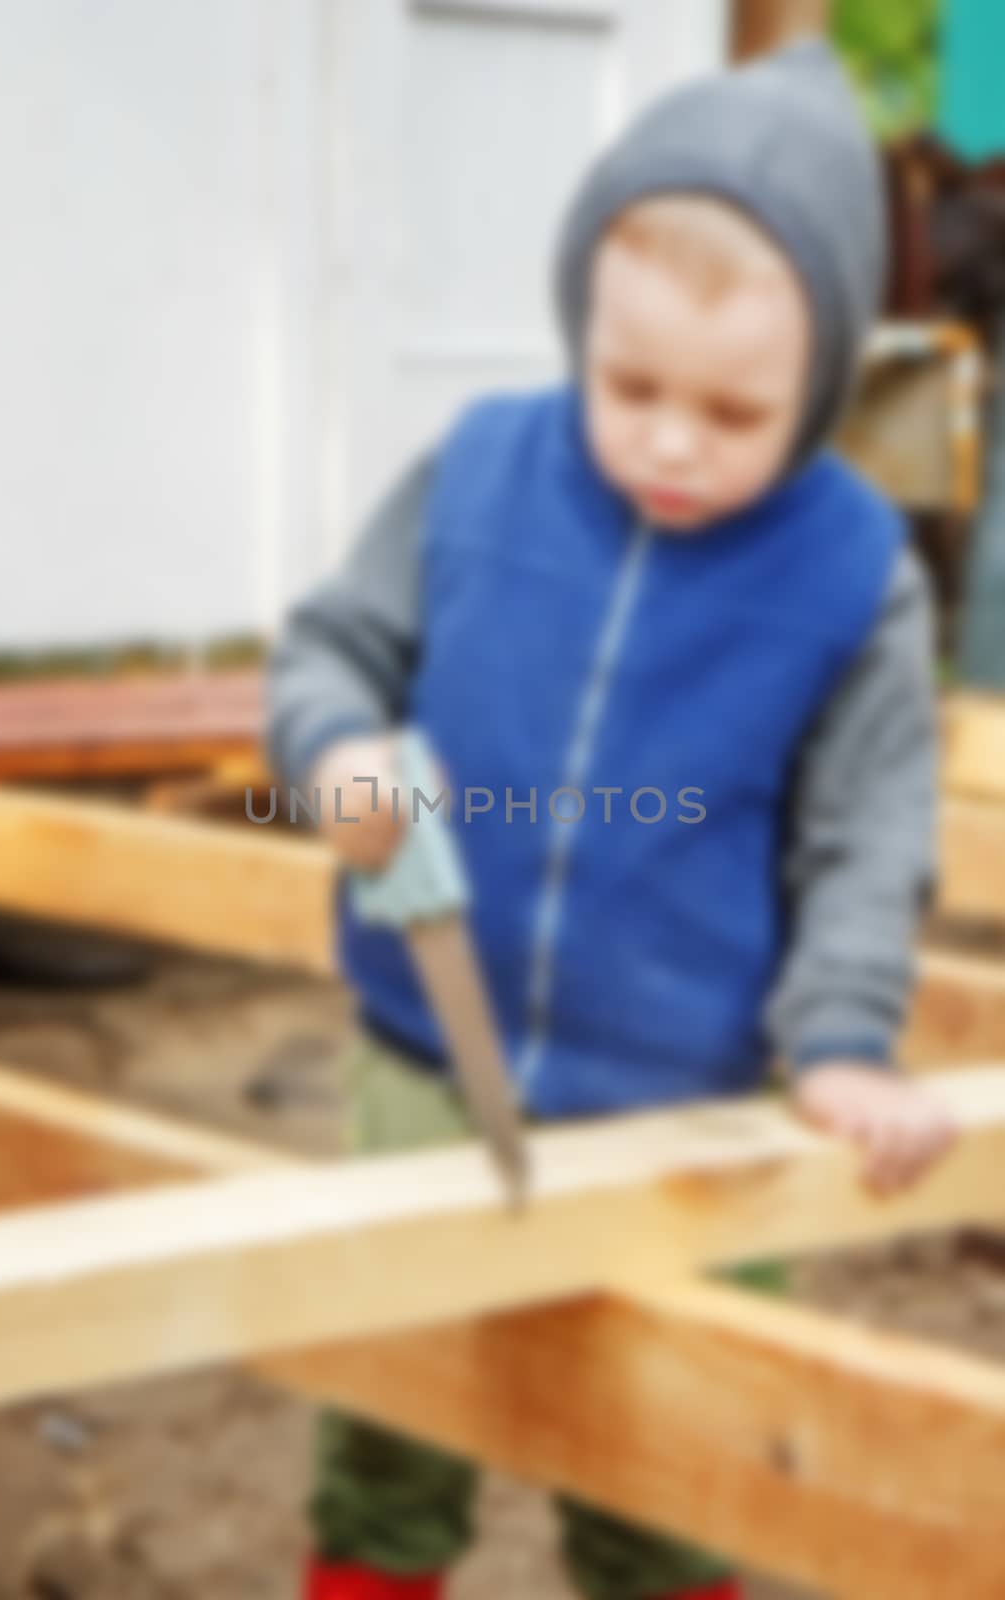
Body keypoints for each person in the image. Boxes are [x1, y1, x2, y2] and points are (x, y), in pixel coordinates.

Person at [265, 37, 957, 1600]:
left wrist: (842, 1039)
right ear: (582, 319)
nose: (666, 441)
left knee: (673, 1477)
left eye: (732, 410)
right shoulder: (482, 474)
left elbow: (868, 837)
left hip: (682, 1117)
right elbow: (332, 647)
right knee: (390, 1438)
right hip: (428, 1070)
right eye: (629, 385)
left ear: (828, 378)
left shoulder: (853, 577)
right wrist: (337, 751)